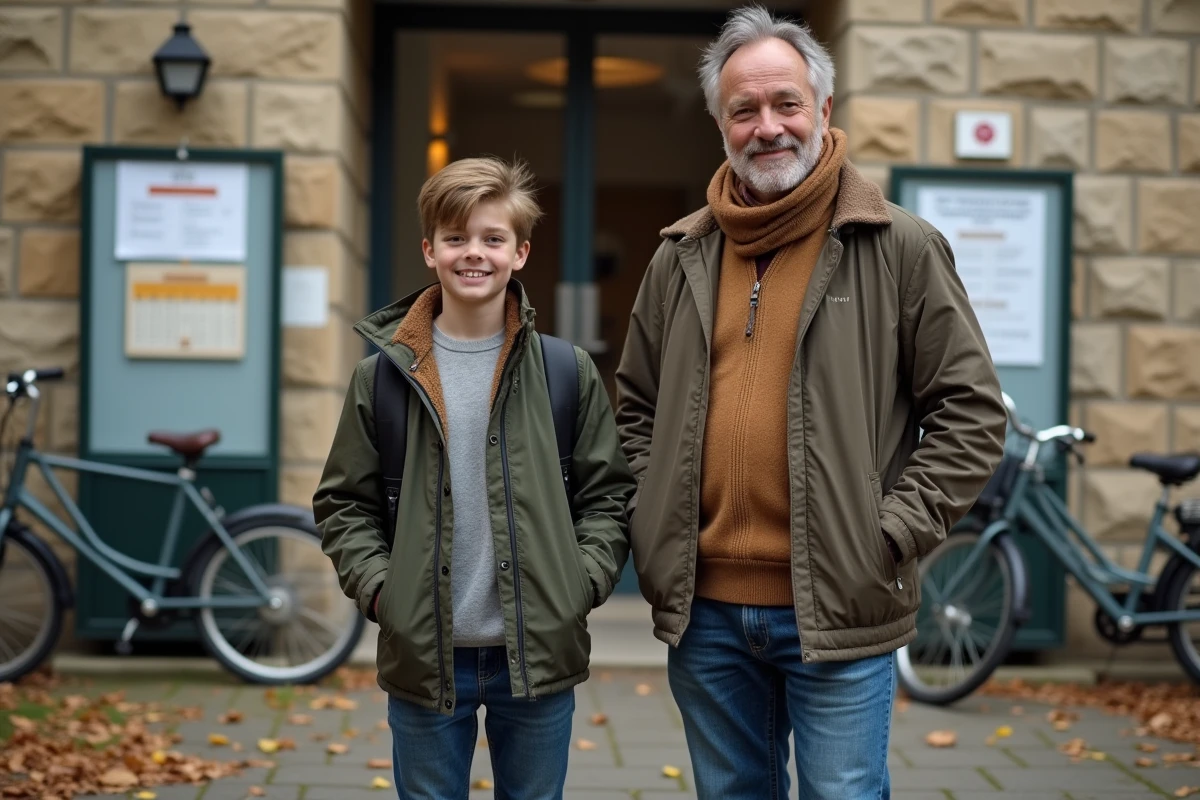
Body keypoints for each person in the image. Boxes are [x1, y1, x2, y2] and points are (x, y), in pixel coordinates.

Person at [614, 5, 1008, 799]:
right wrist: (652, 520)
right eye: (744, 110)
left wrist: (886, 536)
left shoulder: (898, 246)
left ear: (824, 108)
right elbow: (634, 410)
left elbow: (971, 413)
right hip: (705, 614)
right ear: (721, 125)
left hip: (841, 600)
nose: (768, 127)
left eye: (786, 103)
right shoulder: (679, 255)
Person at [315, 156, 635, 800]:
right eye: (456, 237)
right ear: (429, 249)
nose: (474, 254)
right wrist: (383, 595)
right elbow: (344, 503)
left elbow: (609, 497)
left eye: (493, 238)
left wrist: (578, 585)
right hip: (425, 654)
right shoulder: (381, 378)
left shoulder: (565, 372)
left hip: (538, 652)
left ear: (520, 253)